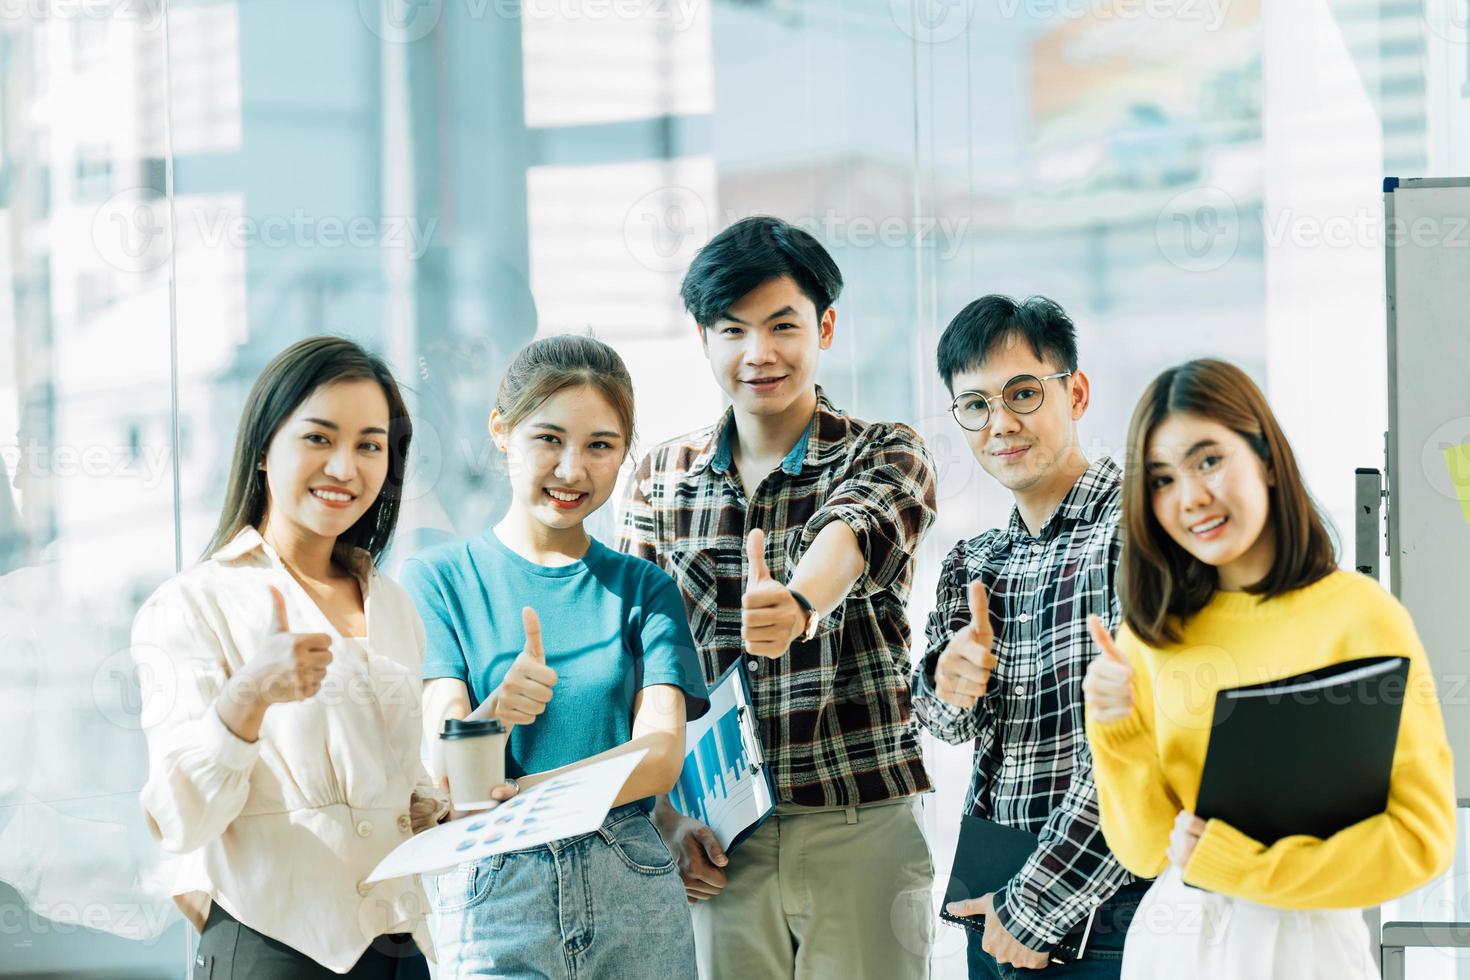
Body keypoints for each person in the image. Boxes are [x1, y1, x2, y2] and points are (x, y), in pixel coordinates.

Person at [618, 216, 939, 979]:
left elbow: (851, 532)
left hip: (859, 822)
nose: (758, 354)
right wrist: (663, 818)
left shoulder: (887, 450)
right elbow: (639, 666)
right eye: (732, 330)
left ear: (824, 326)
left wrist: (797, 604)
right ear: (703, 339)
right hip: (718, 836)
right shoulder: (661, 478)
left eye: (782, 326)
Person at [1082, 358, 1456, 978]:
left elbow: (1421, 840)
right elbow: (1149, 854)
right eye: (1162, 480)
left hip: (1307, 949)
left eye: (1209, 461)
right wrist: (1114, 729)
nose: (1191, 497)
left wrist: (1244, 867)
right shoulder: (1152, 633)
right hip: (1176, 946)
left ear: (1267, 458)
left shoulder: (1360, 617)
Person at [133, 336, 445, 977]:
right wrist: (248, 698)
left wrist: (455, 795)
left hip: (400, 950)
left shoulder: (394, 605)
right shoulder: (192, 605)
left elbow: (399, 795)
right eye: (319, 438)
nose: (345, 467)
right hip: (275, 947)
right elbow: (175, 818)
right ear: (262, 451)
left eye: (369, 445)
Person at [405, 335, 710, 979]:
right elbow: (448, 771)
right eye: (548, 439)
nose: (572, 469)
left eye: (600, 446)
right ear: (501, 430)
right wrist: (495, 712)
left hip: (632, 885)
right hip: (496, 892)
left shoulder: (644, 588)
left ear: (624, 454)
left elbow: (659, 756)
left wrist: (523, 790)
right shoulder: (438, 580)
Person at [913, 295, 1148, 978]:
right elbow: (942, 725)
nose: (1001, 424)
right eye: (976, 406)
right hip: (990, 899)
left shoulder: (1139, 533)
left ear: (1074, 392)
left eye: (1022, 393)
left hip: (1101, 909)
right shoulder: (974, 562)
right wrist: (946, 684)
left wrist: (1033, 906)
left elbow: (1146, 746)